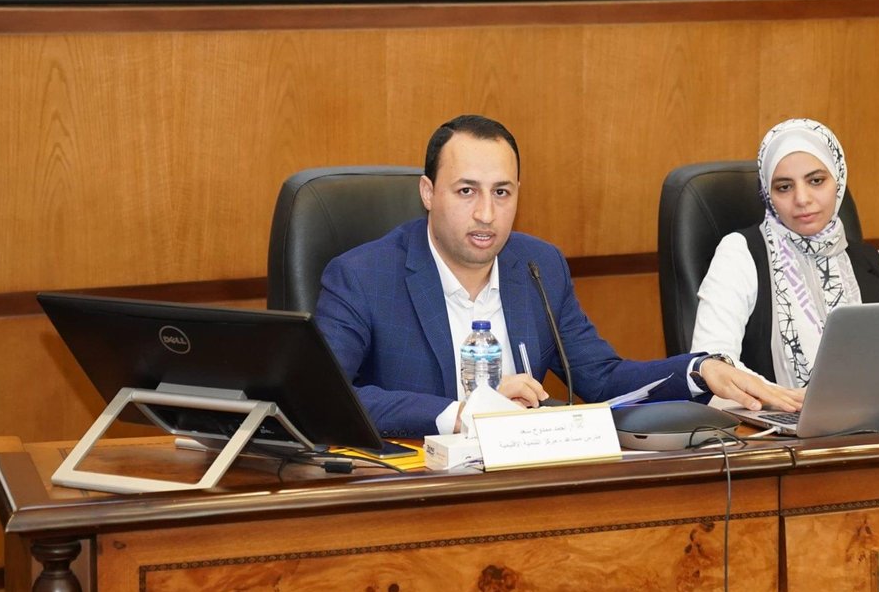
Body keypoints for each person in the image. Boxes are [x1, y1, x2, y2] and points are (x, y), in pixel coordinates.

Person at [315, 114, 796, 437]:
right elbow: (324, 399)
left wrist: (699, 369)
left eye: (502, 192)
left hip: (530, 486)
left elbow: (603, 379)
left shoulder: (537, 267)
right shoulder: (362, 276)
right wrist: (460, 414)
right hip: (416, 496)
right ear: (428, 192)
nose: (486, 214)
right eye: (466, 191)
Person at [690, 118, 879, 391]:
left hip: (872, 416)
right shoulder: (739, 254)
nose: (802, 199)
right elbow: (713, 363)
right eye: (784, 187)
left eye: (816, 181)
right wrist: (784, 399)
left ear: (838, 181)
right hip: (766, 416)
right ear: (767, 193)